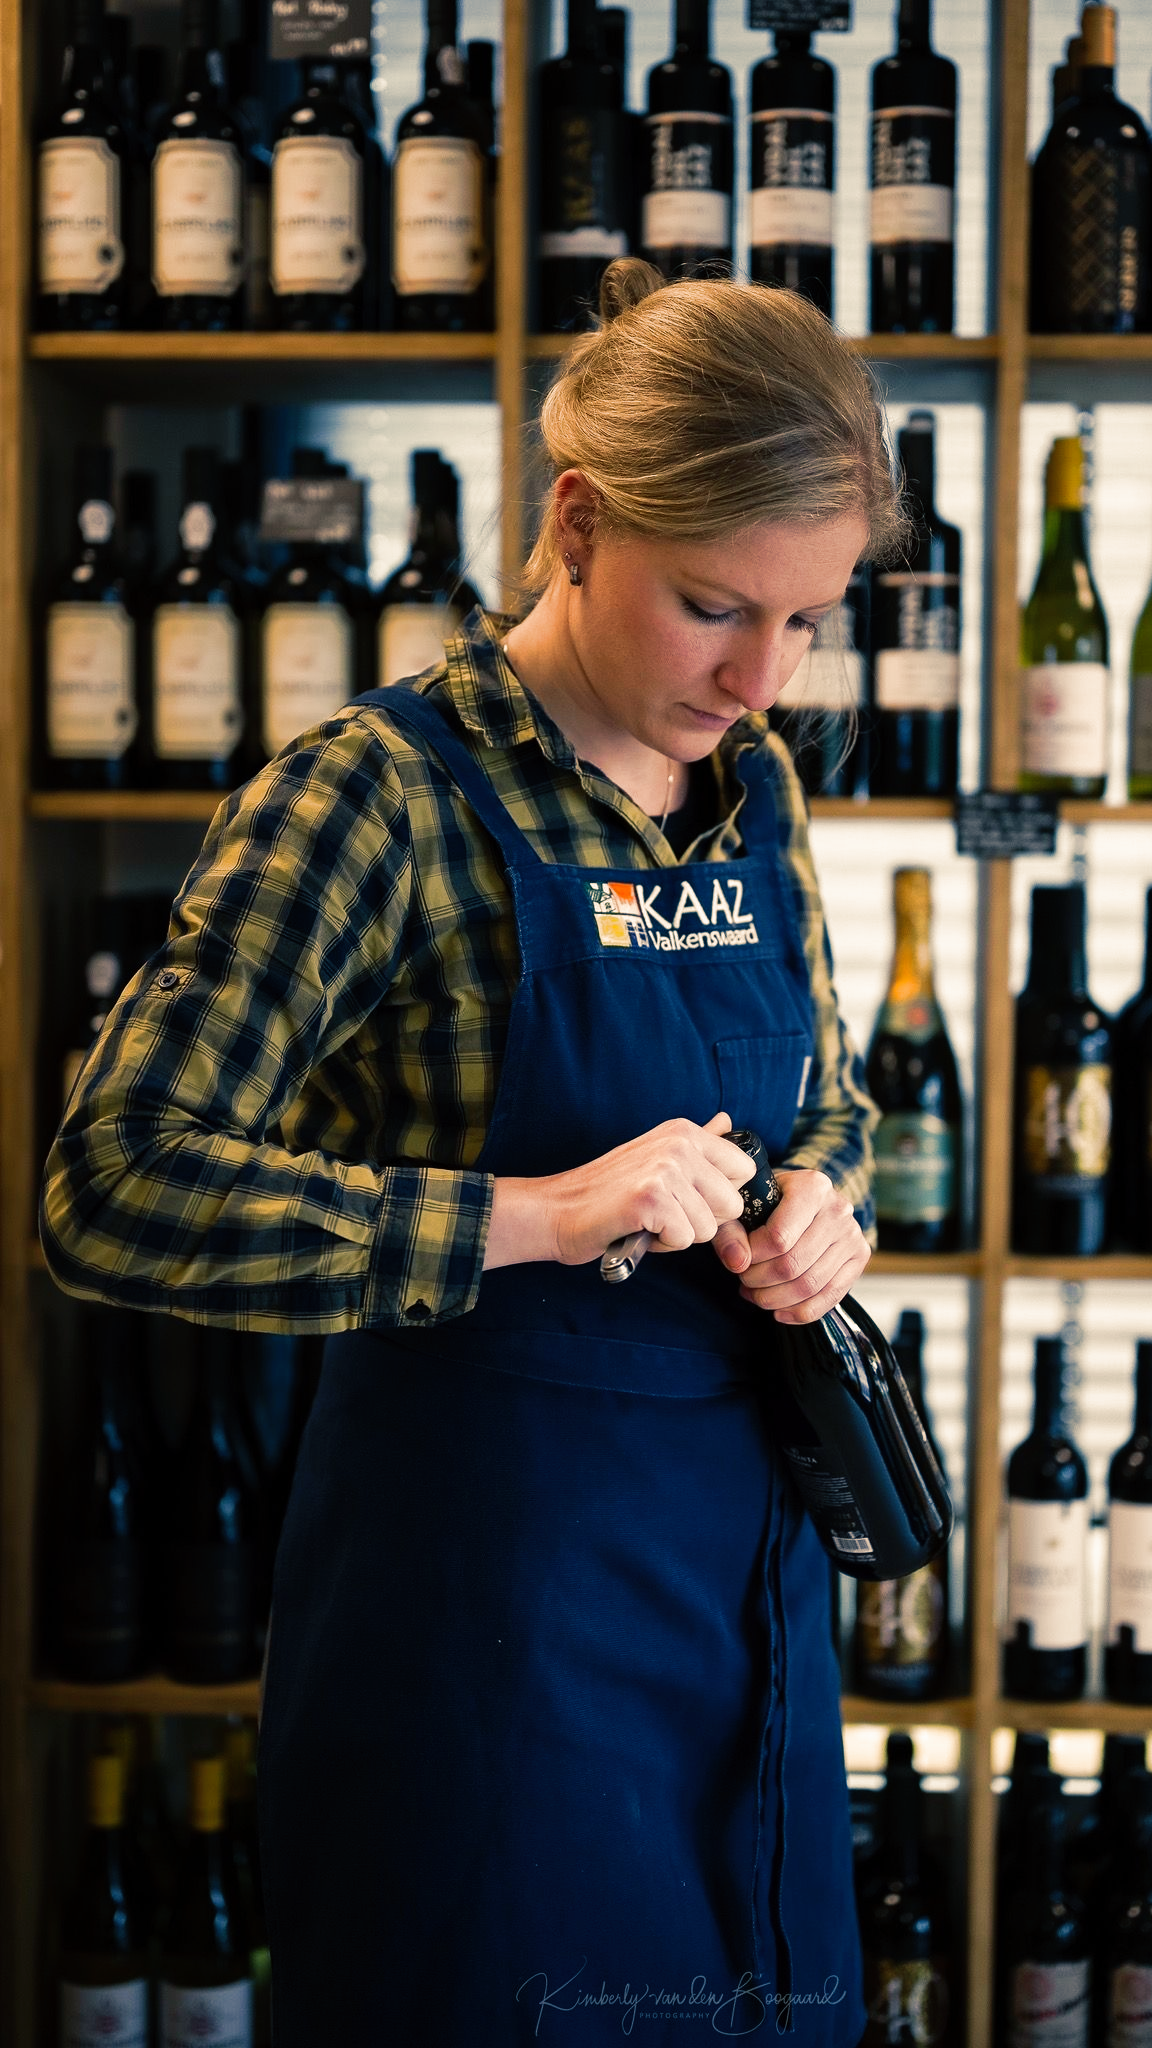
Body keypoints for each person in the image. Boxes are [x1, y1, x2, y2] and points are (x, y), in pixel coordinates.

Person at [39, 257, 911, 2044]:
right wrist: (536, 1213)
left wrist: (830, 1202)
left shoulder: (754, 794)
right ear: (575, 525)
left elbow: (822, 1095)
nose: (763, 675)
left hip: (741, 1601)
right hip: (482, 1624)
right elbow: (112, 1185)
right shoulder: (376, 796)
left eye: (810, 621)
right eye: (713, 607)